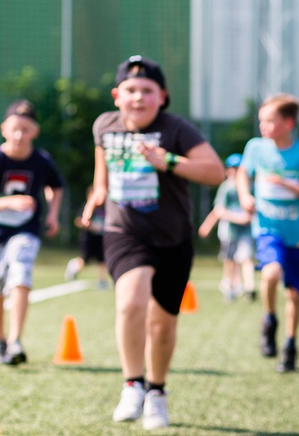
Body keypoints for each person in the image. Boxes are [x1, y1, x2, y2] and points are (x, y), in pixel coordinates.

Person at [81, 55, 224, 430]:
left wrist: (170, 162)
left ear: (162, 96)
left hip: (173, 237)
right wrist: (97, 195)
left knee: (162, 325)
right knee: (130, 302)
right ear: (116, 95)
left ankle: (156, 392)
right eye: (130, 90)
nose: (138, 98)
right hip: (124, 231)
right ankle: (133, 382)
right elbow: (102, 174)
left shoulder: (176, 129)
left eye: (147, 91)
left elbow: (215, 172)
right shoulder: (105, 126)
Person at [236, 94, 299, 372]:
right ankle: (269, 319)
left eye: (270, 121)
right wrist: (244, 196)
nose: (263, 126)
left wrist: (286, 185)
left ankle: (289, 344)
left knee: (295, 294)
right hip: (267, 228)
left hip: (297, 235)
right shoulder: (255, 148)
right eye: (261, 120)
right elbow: (242, 174)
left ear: (288, 123)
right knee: (271, 272)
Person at [0, 99, 64, 366]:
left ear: (35, 131)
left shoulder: (41, 160)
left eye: (26, 129)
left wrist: (53, 213)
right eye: (15, 128)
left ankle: (15, 340)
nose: (20, 135)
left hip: (26, 229)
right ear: (4, 129)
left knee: (21, 270)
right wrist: (10, 202)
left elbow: (56, 187)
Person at [198, 153, 256, 303]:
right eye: (233, 168)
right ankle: (229, 286)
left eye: (238, 169)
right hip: (230, 229)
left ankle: (249, 287)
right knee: (230, 260)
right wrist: (207, 225)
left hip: (246, 229)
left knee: (246, 257)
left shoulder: (250, 186)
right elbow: (219, 210)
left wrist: (249, 217)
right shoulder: (227, 187)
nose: (235, 172)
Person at [65, 185, 111, 290]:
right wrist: (90, 226)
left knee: (102, 259)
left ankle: (102, 281)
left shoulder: (105, 207)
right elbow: (78, 220)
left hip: (101, 238)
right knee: (85, 259)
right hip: (89, 238)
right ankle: (73, 267)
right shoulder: (87, 206)